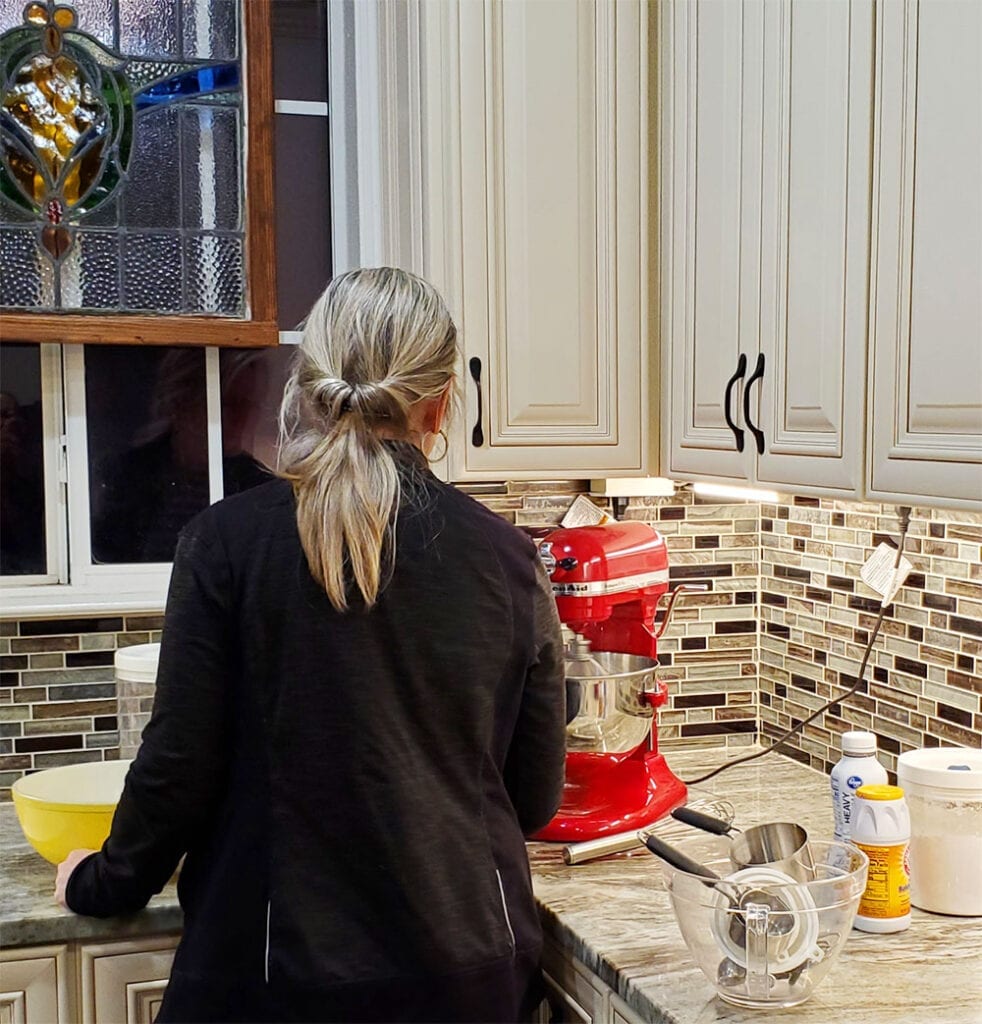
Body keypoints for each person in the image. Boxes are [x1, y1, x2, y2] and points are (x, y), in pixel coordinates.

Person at [54, 267, 567, 1023]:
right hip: (465, 977)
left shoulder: (225, 545)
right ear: (443, 402)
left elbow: (177, 770)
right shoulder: (507, 560)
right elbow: (532, 799)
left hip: (272, 978)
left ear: (310, 385)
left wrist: (103, 880)